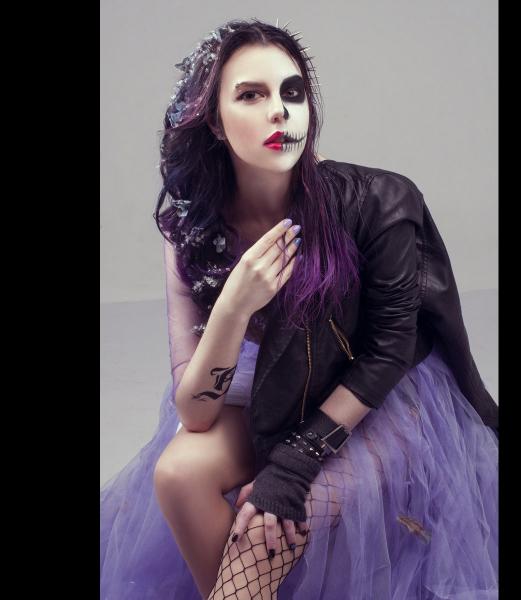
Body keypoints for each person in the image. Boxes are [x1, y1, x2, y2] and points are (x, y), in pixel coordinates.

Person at [100, 18, 498, 600]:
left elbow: (389, 351)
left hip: (372, 402)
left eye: (292, 93)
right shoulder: (192, 227)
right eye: (251, 95)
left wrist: (295, 463)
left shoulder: (378, 200)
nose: (280, 112)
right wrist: (233, 306)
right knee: (178, 473)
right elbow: (196, 413)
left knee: (261, 529)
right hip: (274, 389)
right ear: (214, 120)